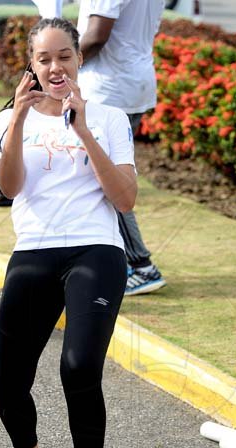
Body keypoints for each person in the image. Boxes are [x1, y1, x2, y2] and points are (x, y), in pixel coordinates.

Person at [0, 17, 137, 448]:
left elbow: (124, 199)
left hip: (95, 249)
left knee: (79, 365)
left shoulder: (108, 117)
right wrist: (17, 118)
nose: (55, 67)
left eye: (64, 56)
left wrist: (81, 126)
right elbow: (12, 187)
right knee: (7, 380)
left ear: (78, 59)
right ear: (32, 65)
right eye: (45, 59)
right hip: (35, 250)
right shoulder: (8, 120)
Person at [77, 0, 167, 296]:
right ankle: (119, 262)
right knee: (101, 177)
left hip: (109, 89)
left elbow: (97, 36)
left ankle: (141, 265)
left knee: (107, 180)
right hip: (132, 82)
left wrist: (59, 62)